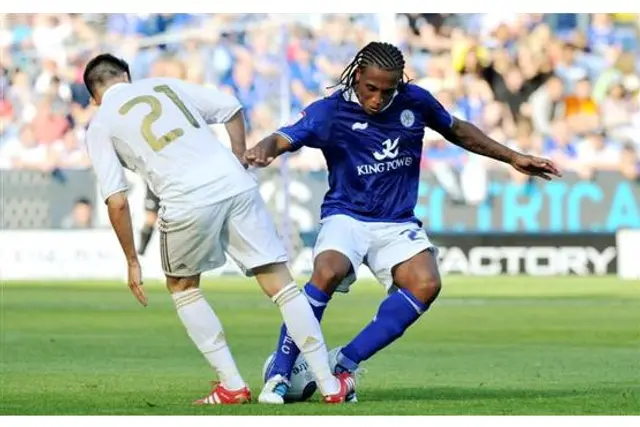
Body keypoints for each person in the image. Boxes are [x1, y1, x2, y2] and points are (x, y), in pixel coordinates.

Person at [245, 41, 562, 404]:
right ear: (358, 75)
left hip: (396, 221)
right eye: (371, 88)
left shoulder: (415, 101)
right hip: (346, 214)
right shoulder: (329, 112)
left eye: (388, 89)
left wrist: (513, 157)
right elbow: (284, 137)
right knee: (328, 271)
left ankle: (343, 363)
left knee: (426, 283)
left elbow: (457, 130)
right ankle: (280, 373)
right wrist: (262, 151)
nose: (379, 98)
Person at [82, 53, 355, 405]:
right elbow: (230, 108)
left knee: (182, 285)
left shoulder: (101, 123)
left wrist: (132, 260)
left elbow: (117, 200)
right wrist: (239, 157)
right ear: (127, 77)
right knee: (281, 284)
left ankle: (232, 385)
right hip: (235, 184)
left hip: (186, 199)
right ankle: (330, 386)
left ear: (93, 96)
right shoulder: (164, 86)